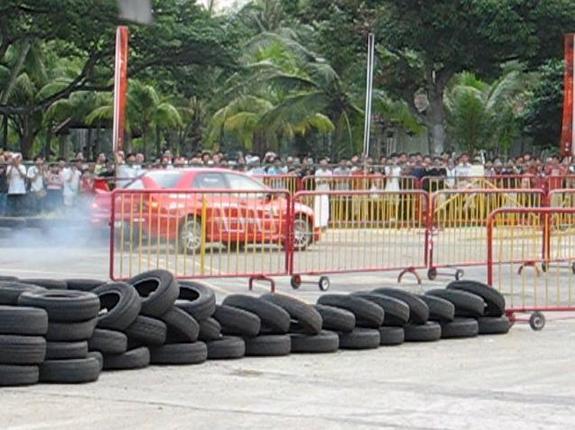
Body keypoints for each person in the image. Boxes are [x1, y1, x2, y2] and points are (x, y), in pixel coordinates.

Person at [313, 158, 332, 230]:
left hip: (326, 192)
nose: (324, 165)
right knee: (317, 208)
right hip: (318, 192)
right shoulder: (317, 172)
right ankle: (317, 224)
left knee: (325, 209)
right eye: (322, 164)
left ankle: (324, 224)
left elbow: (330, 180)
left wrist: (323, 179)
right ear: (320, 165)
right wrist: (325, 180)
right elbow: (317, 181)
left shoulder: (329, 172)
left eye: (325, 164)